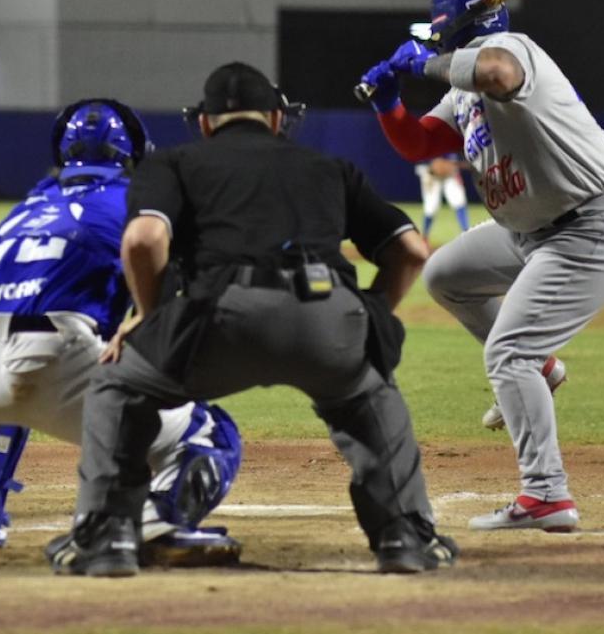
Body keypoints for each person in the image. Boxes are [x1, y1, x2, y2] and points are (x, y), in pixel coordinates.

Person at [46, 63, 456, 577]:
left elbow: (144, 241)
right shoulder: (328, 165)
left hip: (220, 319)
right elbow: (411, 250)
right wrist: (369, 316)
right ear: (276, 117)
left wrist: (150, 320)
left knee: (116, 388)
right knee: (369, 395)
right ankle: (404, 538)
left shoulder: (174, 163)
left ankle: (107, 540)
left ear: (205, 123)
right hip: (327, 315)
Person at [359, 0, 604, 533]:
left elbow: (494, 71)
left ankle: (546, 495)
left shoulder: (512, 52)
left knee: (507, 353)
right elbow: (421, 143)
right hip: (533, 232)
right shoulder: (463, 88)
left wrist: (418, 65)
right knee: (445, 273)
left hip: (591, 227)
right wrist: (388, 103)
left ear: (448, 31)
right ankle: (543, 366)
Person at [0, 99, 242, 563]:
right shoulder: (140, 197)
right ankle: (154, 521)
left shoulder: (32, 204)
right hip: (50, 358)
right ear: (132, 153)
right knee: (211, 434)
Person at [415, 152, 470, 239]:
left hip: (450, 170)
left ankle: (467, 233)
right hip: (429, 171)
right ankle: (424, 237)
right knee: (431, 207)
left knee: (459, 201)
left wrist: (456, 164)